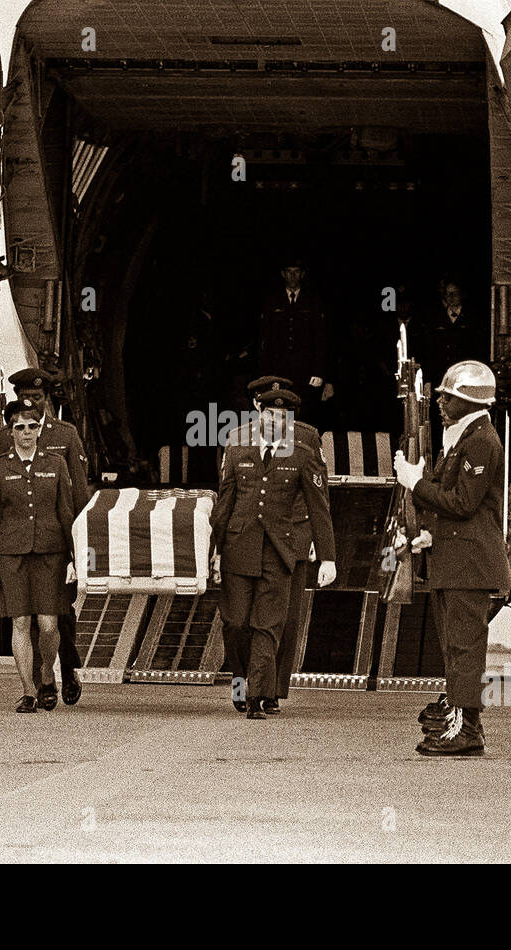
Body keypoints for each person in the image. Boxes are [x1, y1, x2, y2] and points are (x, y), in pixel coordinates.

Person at [393, 360, 511, 757]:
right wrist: (430, 533)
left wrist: (415, 483)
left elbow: (462, 503)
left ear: (469, 402)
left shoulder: (481, 441)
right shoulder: (464, 438)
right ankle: (459, 720)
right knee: (455, 646)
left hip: (468, 564)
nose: (441, 403)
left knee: (464, 646)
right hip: (456, 560)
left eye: (449, 398)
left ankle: (468, 729)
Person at [211, 388, 337, 719]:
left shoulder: (303, 449)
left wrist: (327, 555)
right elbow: (224, 502)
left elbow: (318, 505)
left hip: (282, 548)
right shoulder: (237, 445)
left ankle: (258, 694)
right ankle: (241, 680)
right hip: (239, 547)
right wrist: (214, 551)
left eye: (282, 416)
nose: (275, 421)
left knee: (269, 624)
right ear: (258, 412)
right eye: (269, 414)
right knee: (235, 622)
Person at [0, 368, 89, 705]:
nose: (30, 404)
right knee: (22, 619)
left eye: (36, 398)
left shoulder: (65, 433)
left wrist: (78, 549)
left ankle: (66, 669)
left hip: (53, 544)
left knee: (58, 619)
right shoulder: (5, 438)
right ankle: (32, 687)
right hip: (17, 545)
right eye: (24, 398)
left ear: (47, 399)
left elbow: (77, 497)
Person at [0, 398, 75, 713]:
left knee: (48, 624)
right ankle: (29, 691)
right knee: (20, 621)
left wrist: (75, 557)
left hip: (51, 553)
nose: (27, 433)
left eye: (33, 426)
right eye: (20, 427)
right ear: (10, 430)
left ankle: (47, 672)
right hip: (12, 554)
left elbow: (66, 513)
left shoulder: (55, 464)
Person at [256, 257, 333, 426]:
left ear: (302, 274)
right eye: (289, 272)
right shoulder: (272, 301)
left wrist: (321, 373)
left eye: (296, 272)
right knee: (279, 416)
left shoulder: (313, 302)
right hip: (279, 371)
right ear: (283, 274)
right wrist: (264, 376)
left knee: (304, 416)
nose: (292, 276)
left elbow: (321, 340)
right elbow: (264, 341)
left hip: (305, 372)